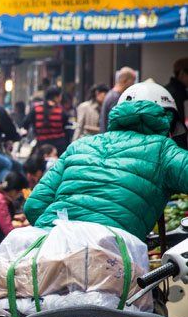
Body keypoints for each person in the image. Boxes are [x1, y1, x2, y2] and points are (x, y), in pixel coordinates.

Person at [25, 82, 188, 242]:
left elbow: (33, 205)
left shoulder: (79, 145)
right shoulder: (163, 150)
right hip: (110, 257)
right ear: (169, 120)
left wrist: (63, 234)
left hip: (50, 248)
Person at [23, 85, 70, 154]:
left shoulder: (36, 109)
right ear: (56, 97)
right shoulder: (61, 111)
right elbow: (65, 127)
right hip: (59, 148)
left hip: (42, 146)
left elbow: (25, 124)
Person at [99, 66, 136, 132]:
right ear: (124, 80)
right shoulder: (115, 98)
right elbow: (116, 123)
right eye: (132, 81)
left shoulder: (112, 95)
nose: (133, 85)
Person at [164, 58, 188, 148]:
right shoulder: (175, 94)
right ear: (182, 73)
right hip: (175, 147)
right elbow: (177, 128)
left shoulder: (173, 91)